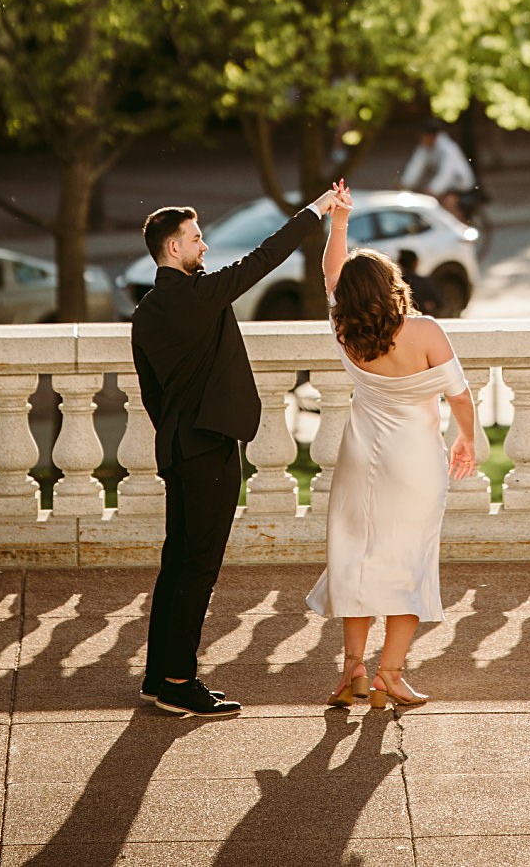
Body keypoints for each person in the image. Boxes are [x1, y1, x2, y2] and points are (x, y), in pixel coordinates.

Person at [131, 191, 340, 717]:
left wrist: (180, 434)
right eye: (197, 238)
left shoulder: (148, 310)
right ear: (174, 246)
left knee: (176, 564)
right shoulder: (197, 296)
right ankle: (179, 681)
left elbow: (152, 394)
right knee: (198, 567)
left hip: (180, 448)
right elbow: (265, 258)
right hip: (208, 448)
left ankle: (160, 677)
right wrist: (316, 212)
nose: (205, 245)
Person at [307, 181, 476, 710]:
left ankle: (351, 672)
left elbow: (331, 272)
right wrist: (470, 439)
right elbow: (460, 395)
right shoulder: (424, 331)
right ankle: (390, 675)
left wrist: (339, 221)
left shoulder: (344, 328)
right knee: (410, 563)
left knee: (357, 561)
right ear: (392, 285)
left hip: (361, 457)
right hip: (414, 460)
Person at [400, 116, 476, 223]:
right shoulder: (425, 147)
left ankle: (462, 230)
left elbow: (446, 173)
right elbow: (415, 166)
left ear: (432, 136)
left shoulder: (448, 148)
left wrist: (433, 189)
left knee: (448, 204)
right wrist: (405, 183)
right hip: (445, 185)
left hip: (460, 184)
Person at [396, 247, 443, 318]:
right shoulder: (425, 282)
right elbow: (439, 303)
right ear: (416, 263)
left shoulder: (395, 283)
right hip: (422, 318)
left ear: (399, 263)